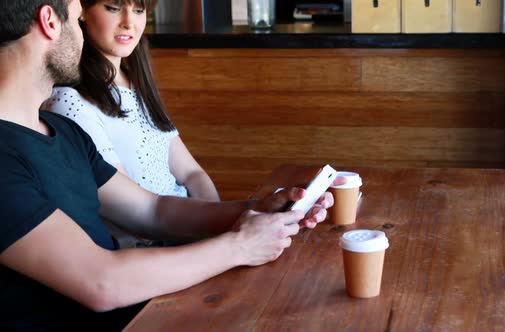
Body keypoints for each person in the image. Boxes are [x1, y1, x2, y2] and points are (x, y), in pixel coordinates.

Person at [0, 1, 336, 330]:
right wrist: (240, 246)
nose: (81, 32)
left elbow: (153, 210)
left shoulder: (63, 132)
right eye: (75, 19)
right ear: (49, 22)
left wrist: (257, 210)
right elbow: (101, 282)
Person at [43, 0, 219, 246]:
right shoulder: (70, 101)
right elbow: (135, 214)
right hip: (152, 247)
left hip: (192, 228)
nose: (129, 23)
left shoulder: (136, 82)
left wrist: (218, 221)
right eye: (113, 9)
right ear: (81, 12)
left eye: (138, 11)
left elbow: (192, 174)